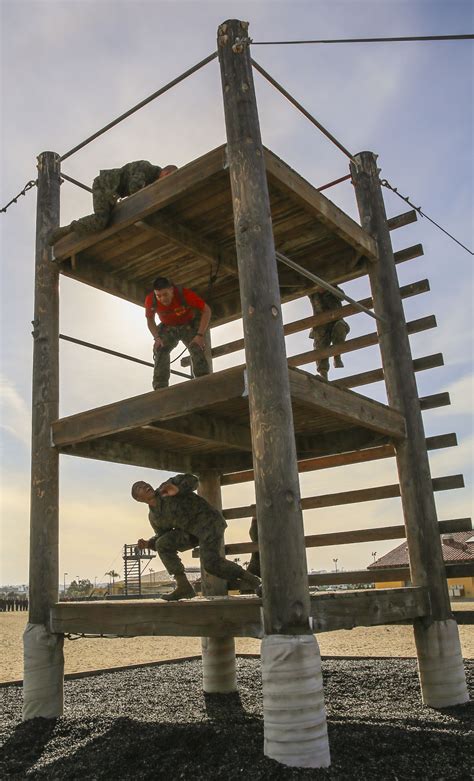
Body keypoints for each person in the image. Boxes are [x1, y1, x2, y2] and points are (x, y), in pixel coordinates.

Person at [132, 473, 262, 601]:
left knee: (210, 563)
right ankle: (183, 586)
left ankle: (255, 581)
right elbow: (163, 536)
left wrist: (178, 489)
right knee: (162, 543)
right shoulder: (154, 517)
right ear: (139, 499)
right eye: (139, 487)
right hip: (191, 533)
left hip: (209, 523)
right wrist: (149, 543)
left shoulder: (166, 487)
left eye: (144, 483)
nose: (145, 486)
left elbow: (193, 480)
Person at [49, 161, 178, 244]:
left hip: (113, 193)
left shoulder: (152, 180)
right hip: (105, 185)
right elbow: (135, 187)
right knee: (101, 220)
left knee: (108, 220)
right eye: (168, 178)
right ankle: (66, 230)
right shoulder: (148, 169)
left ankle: (69, 230)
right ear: (165, 172)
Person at [145, 276, 211, 389]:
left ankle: (203, 382)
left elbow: (207, 310)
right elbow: (150, 319)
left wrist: (199, 335)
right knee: (160, 349)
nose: (162, 298)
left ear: (171, 290)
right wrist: (157, 338)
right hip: (168, 327)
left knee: (196, 346)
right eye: (158, 295)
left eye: (165, 294)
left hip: (188, 325)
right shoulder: (151, 300)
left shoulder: (184, 294)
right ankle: (160, 388)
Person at [309, 286, 350, 380]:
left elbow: (342, 296)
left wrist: (328, 289)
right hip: (321, 323)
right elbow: (304, 289)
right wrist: (316, 288)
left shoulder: (333, 287)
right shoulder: (313, 292)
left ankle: (337, 356)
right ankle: (323, 373)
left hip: (336, 319)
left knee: (340, 327)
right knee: (320, 345)